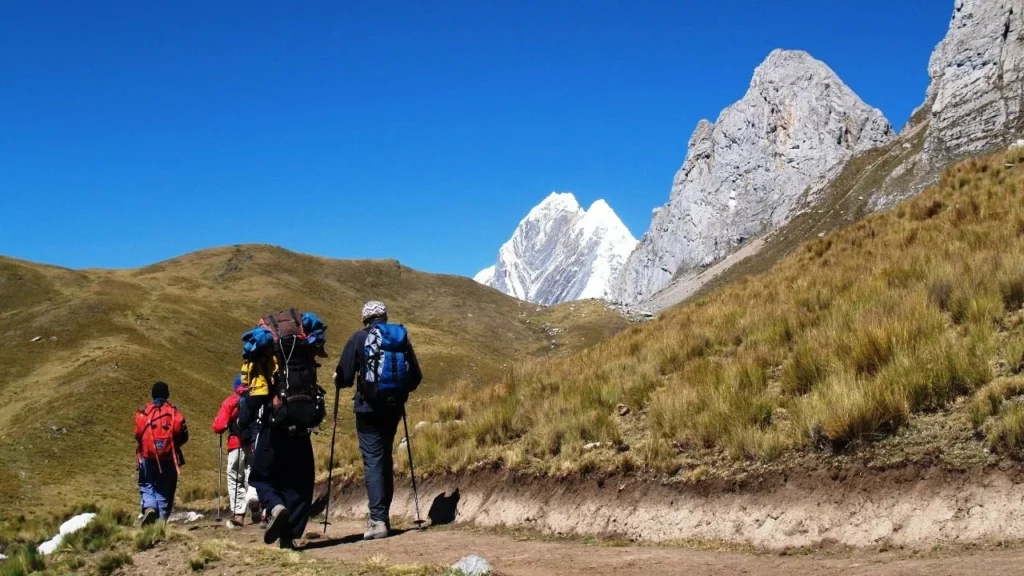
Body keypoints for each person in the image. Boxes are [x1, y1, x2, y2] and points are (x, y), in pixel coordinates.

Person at [237, 312, 326, 550]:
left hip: (273, 426)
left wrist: (242, 421)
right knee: (299, 481)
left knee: (261, 476)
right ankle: (289, 536)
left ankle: (275, 507)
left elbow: (256, 394)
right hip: (302, 424)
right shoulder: (304, 346)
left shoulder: (264, 353)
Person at [335, 300, 422, 540]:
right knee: (385, 458)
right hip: (393, 408)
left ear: (365, 319)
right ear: (384, 317)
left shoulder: (358, 338)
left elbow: (344, 377)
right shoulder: (399, 337)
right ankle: (383, 516)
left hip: (367, 408)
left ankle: (378, 521)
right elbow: (416, 376)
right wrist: (398, 391)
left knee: (373, 459)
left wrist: (339, 378)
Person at [135, 381, 189, 524]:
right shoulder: (173, 414)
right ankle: (160, 522)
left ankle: (149, 507)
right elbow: (183, 436)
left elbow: (137, 434)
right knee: (164, 490)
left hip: (147, 457)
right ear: (167, 395)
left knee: (146, 484)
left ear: (153, 395)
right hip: (168, 458)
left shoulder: (144, 412)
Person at [212, 374, 261, 528]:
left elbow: (218, 426)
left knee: (234, 478)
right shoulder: (256, 399)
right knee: (251, 475)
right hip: (254, 445)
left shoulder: (231, 401)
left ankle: (239, 514)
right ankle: (254, 498)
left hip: (235, 444)